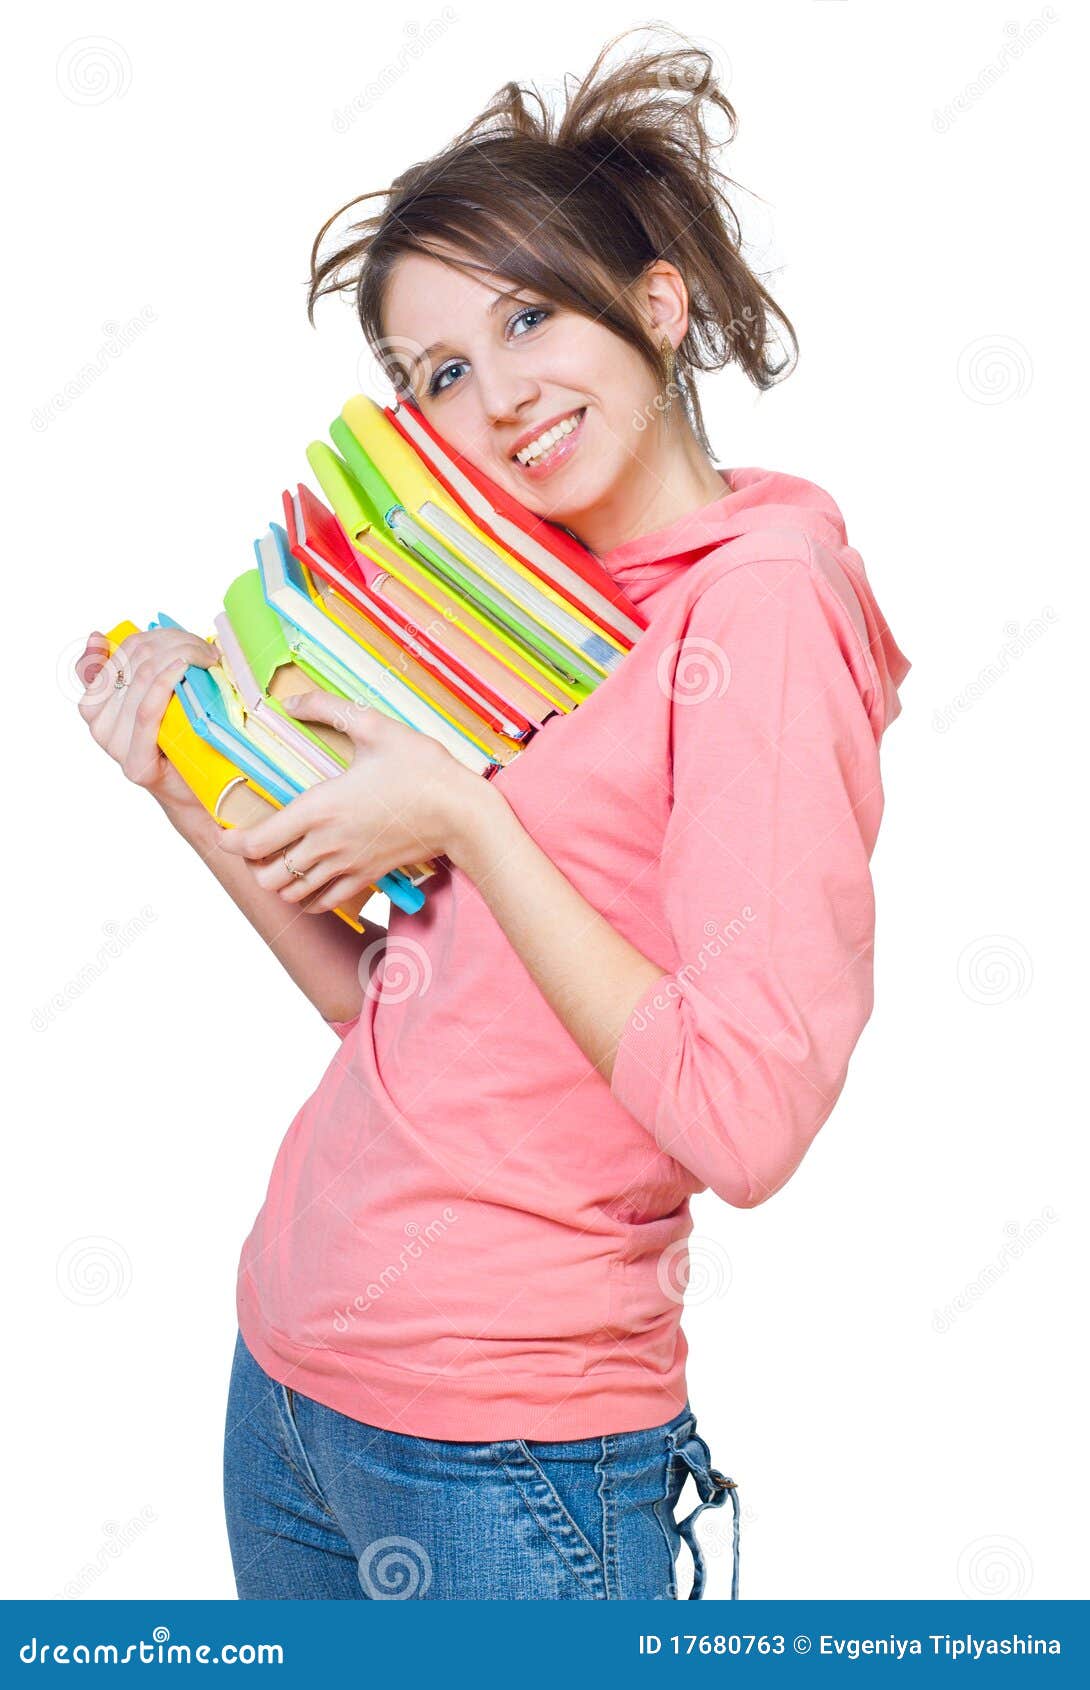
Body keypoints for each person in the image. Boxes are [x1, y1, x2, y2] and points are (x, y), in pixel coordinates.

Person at [75, 25, 910, 1601]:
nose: (499, 393)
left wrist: (464, 811)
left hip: (504, 1452)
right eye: (442, 370)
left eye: (529, 315)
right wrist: (190, 777)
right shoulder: (535, 594)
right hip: (297, 1376)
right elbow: (401, 998)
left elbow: (743, 1120)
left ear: (655, 308)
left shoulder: (766, 612)